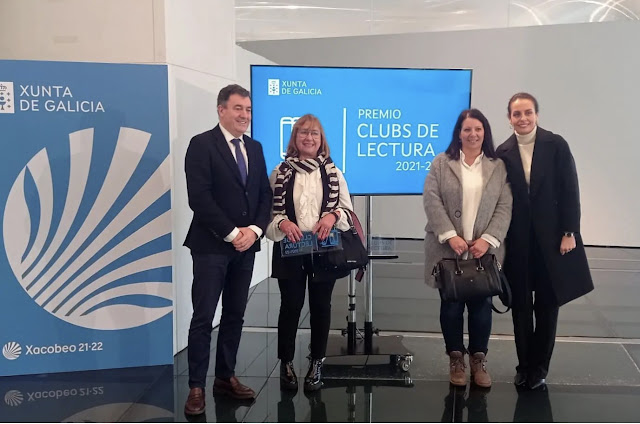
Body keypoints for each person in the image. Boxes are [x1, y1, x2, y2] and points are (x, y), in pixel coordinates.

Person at [183, 84, 272, 415]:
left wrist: (253, 230)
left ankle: (225, 377)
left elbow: (265, 194)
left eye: (248, 110)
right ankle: (195, 386)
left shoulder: (256, 147)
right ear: (221, 110)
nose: (244, 115)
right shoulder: (201, 145)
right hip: (210, 247)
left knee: (235, 314)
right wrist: (233, 232)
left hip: (246, 247)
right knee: (203, 317)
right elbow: (200, 198)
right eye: (238, 109)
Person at [496, 92, 593, 390]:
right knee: (521, 306)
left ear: (537, 114)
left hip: (553, 240)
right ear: (509, 118)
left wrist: (569, 232)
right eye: (517, 114)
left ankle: (539, 367)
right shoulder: (503, 151)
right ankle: (523, 365)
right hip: (519, 242)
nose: (523, 118)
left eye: (528, 112)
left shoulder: (556, 145)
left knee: (548, 306)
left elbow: (569, 189)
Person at [423, 108, 512, 388]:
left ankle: (478, 360)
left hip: (483, 252)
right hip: (448, 251)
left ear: (484, 132)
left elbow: (505, 205)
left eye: (478, 129)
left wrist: (488, 239)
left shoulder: (498, 166)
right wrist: (450, 235)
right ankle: (456, 358)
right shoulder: (441, 163)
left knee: (481, 307)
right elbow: (432, 200)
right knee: (450, 307)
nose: (473, 134)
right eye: (467, 129)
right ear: (458, 133)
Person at [265, 114, 355, 392]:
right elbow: (268, 215)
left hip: (324, 252)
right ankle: (286, 362)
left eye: (314, 133)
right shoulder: (279, 172)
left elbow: (349, 212)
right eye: (303, 132)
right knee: (290, 307)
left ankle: (317, 362)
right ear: (295, 138)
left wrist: (333, 216)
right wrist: (282, 222)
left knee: (320, 308)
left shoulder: (333, 172)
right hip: (290, 251)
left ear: (321, 140)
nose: (309, 137)